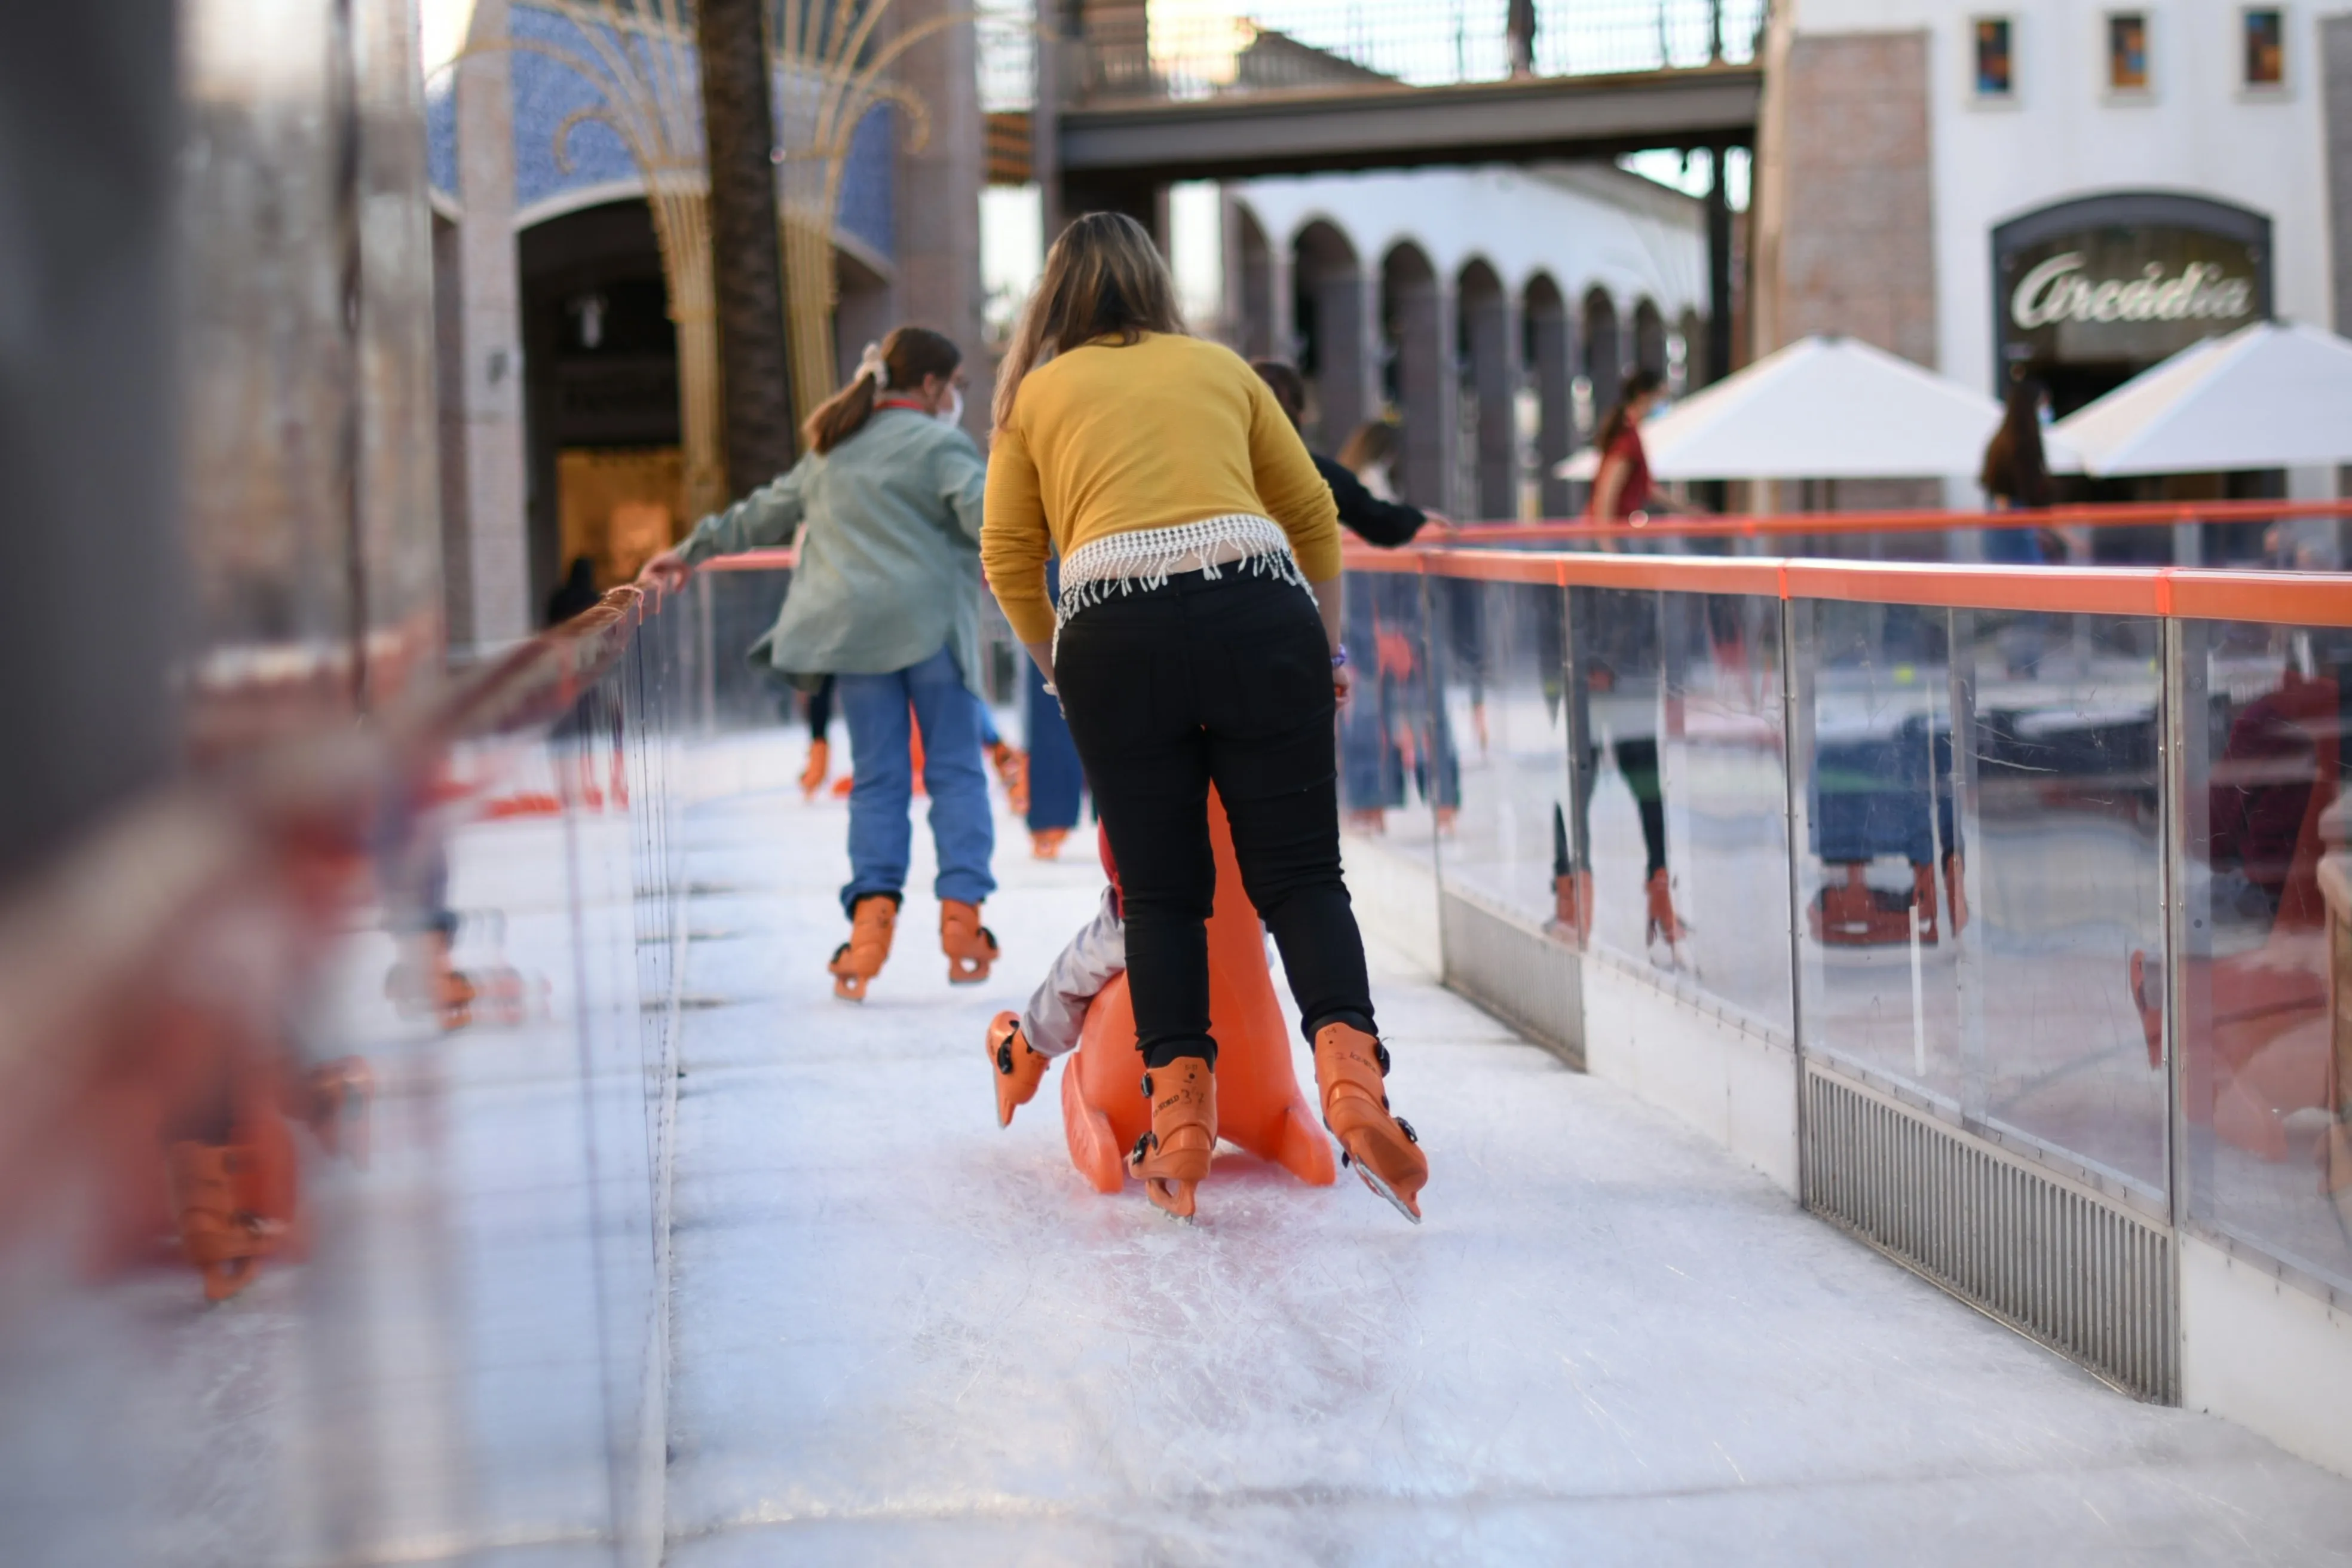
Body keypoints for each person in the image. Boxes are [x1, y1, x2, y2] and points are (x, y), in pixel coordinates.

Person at [982, 212, 1428, 1224]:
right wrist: (1327, 648)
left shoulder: (1034, 395)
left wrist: (1064, 669)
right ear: (1155, 283)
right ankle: (1354, 1083)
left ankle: (1179, 1121)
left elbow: (1008, 559)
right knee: (1303, 875)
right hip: (1255, 613)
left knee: (1164, 892)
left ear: (1056, 297)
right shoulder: (1220, 368)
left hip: (1111, 634)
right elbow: (1313, 513)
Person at [642, 327, 999, 1002]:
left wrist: (687, 551)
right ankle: (962, 923)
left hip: (855, 640)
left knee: (876, 780)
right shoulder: (940, 445)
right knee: (954, 772)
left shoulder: (832, 451)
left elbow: (762, 512)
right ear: (929, 386)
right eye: (955, 385)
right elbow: (992, 520)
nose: (956, 398)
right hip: (933, 636)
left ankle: (869, 931)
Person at [1978, 374, 2064, 565]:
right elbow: (2030, 493)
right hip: (2016, 524)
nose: (2046, 410)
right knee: (2032, 584)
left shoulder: (2000, 442)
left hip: (2001, 523)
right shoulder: (2022, 445)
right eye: (2043, 404)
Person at [1586, 368, 1681, 524]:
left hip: (1617, 530)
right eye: (1661, 398)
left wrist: (1688, 510)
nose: (1663, 406)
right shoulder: (1627, 438)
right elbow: (1607, 493)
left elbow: (1648, 489)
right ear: (1644, 396)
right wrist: (1606, 541)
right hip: (1611, 530)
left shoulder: (1630, 433)